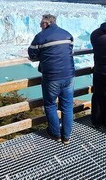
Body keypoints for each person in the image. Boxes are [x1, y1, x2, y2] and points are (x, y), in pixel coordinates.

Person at [28, 14, 75, 145]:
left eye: (40, 24)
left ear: (46, 23)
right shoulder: (67, 34)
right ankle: (66, 136)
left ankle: (55, 134)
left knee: (50, 105)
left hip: (52, 77)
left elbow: (32, 54)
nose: (40, 27)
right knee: (67, 106)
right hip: (69, 75)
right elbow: (69, 50)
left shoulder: (41, 36)